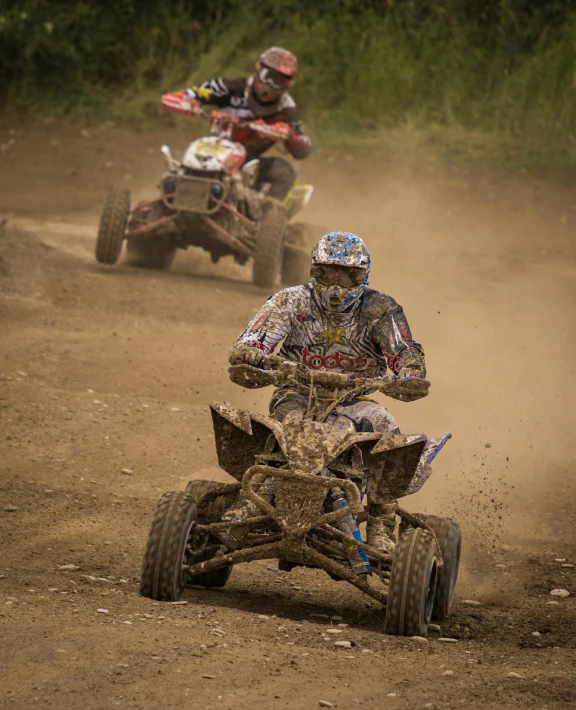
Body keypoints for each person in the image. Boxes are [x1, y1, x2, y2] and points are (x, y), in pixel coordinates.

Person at [228, 231, 428, 552]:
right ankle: (250, 501)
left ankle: (380, 524)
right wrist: (250, 352)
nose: (336, 285)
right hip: (296, 393)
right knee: (284, 428)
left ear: (361, 276)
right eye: (329, 272)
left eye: (347, 275)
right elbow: (254, 338)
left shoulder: (380, 309)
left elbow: (404, 348)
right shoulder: (291, 300)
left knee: (388, 431)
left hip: (357, 401)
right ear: (315, 270)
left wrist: (411, 372)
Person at [161, 46, 311, 201]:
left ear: (288, 84)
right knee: (174, 175)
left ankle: (267, 220)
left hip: (249, 162)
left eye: (278, 81)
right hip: (215, 151)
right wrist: (183, 101)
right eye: (268, 76)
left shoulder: (287, 108)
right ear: (259, 69)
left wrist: (289, 135)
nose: (271, 84)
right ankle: (165, 205)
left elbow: (304, 148)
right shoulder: (230, 87)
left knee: (284, 173)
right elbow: (194, 93)